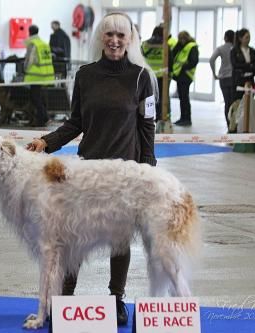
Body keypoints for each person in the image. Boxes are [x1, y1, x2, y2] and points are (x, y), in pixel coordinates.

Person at [26, 12, 158, 326]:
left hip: (125, 174)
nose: (114, 41)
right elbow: (76, 122)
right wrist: (47, 142)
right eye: (109, 35)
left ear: (130, 39)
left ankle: (116, 299)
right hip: (86, 173)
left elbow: (147, 126)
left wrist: (148, 168)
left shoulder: (142, 78)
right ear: (100, 38)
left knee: (120, 239)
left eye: (121, 36)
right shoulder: (85, 75)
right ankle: (65, 301)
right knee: (73, 237)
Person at [24, 24, 55, 126]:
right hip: (45, 74)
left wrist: (25, 69)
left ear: (29, 32)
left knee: (35, 98)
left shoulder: (33, 43)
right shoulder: (44, 43)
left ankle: (43, 119)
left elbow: (30, 59)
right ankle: (43, 118)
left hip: (35, 75)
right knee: (40, 97)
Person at [142, 25, 172, 122]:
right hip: (162, 76)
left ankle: (147, 118)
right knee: (162, 99)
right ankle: (160, 118)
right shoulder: (166, 46)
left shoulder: (144, 44)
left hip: (148, 76)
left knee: (147, 97)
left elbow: (140, 59)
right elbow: (170, 62)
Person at [172, 31, 199, 126]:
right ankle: (183, 118)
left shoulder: (192, 46)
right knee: (182, 98)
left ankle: (187, 119)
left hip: (186, 75)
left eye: (183, 38)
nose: (181, 40)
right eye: (180, 39)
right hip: (180, 75)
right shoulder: (181, 46)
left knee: (184, 98)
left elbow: (194, 61)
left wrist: (183, 67)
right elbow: (173, 54)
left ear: (187, 37)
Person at [209, 30, 235, 130]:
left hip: (223, 78)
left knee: (227, 103)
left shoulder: (220, 48)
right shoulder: (235, 49)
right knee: (234, 102)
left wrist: (214, 74)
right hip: (233, 78)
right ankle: (234, 126)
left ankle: (229, 126)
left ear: (225, 38)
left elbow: (211, 59)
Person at [231, 28, 255, 102]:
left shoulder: (253, 51)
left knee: (250, 103)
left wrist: (248, 66)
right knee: (238, 103)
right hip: (239, 80)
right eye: (246, 37)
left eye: (249, 37)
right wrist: (249, 66)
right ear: (240, 38)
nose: (248, 39)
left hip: (250, 80)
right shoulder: (234, 51)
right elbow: (235, 65)